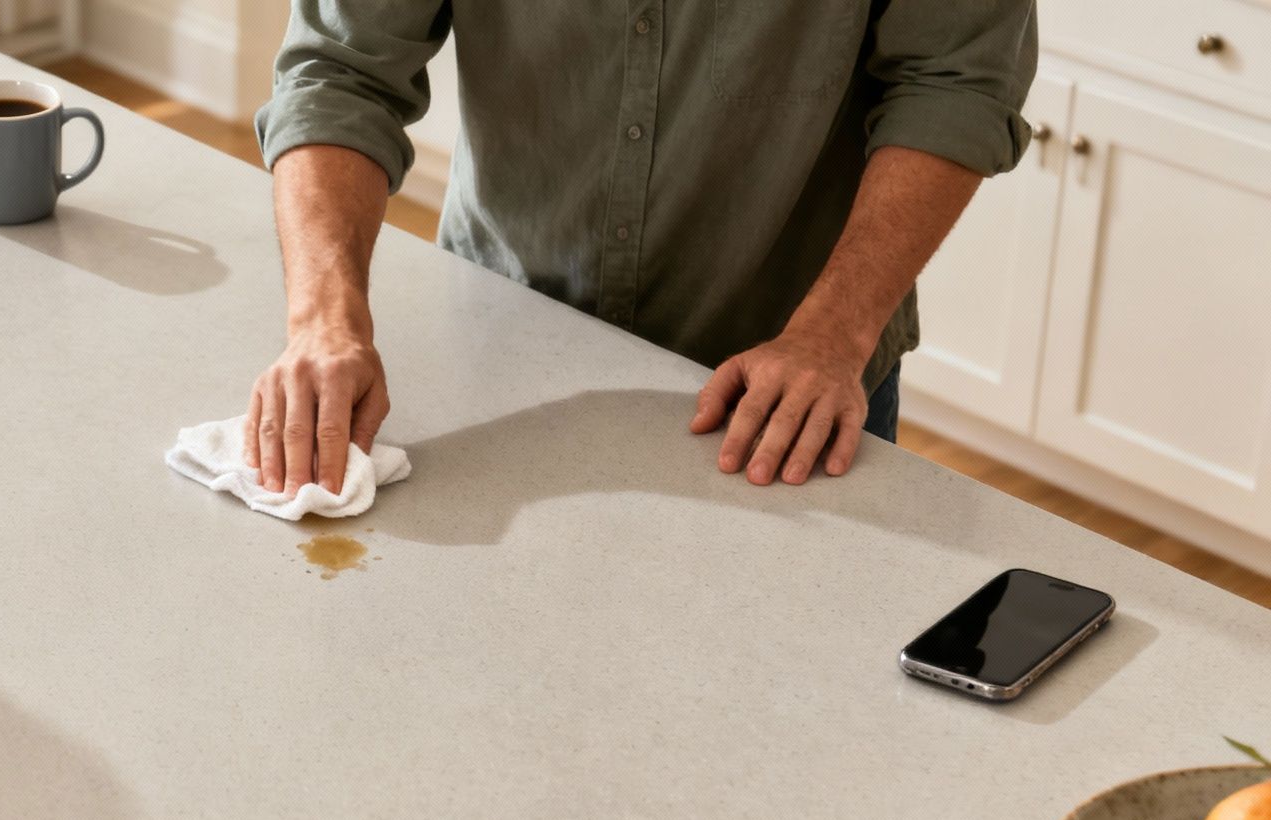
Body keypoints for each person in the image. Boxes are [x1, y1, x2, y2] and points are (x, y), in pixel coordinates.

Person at [248, 2, 1038, 495]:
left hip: (783, 384)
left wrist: (833, 333)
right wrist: (324, 321)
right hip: (503, 342)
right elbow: (340, 71)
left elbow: (955, 85)